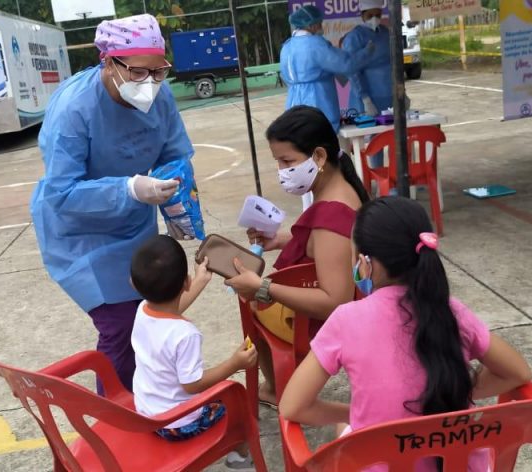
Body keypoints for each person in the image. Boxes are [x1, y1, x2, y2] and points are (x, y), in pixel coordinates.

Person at [279, 197, 532, 471]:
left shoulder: (346, 319)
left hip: (380, 461)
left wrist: (357, 415)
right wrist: (447, 390)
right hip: (462, 465)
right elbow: (516, 373)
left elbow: (293, 406)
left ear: (366, 263)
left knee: (343, 430)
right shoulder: (451, 312)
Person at [30, 14, 194, 394]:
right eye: (139, 72)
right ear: (108, 63)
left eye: (159, 71)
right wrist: (130, 189)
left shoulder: (160, 96)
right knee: (120, 326)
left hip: (134, 226)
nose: (150, 83)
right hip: (80, 234)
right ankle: (117, 418)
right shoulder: (74, 110)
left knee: (150, 318)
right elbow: (62, 192)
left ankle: (154, 404)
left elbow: (176, 157)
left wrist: (180, 209)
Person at [226, 105, 369, 407]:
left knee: (250, 301)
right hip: (327, 304)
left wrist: (263, 288)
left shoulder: (333, 211)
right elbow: (326, 244)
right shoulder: (340, 188)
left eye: (287, 161)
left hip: (314, 324)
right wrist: (280, 240)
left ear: (319, 156)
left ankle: (277, 388)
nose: (281, 171)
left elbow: (335, 301)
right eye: (277, 161)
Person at [129, 235, 257, 469]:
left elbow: (171, 309)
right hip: (176, 424)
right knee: (238, 406)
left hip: (147, 412)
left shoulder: (142, 310)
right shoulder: (185, 334)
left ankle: (238, 454)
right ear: (185, 283)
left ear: (133, 284)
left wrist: (200, 280)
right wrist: (234, 363)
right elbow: (192, 384)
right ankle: (239, 456)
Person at [280, 5, 373, 132]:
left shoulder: (287, 46)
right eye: (319, 24)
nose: (321, 28)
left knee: (301, 141)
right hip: (317, 100)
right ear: (311, 25)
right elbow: (346, 64)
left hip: (293, 103)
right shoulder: (315, 44)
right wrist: (366, 52)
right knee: (322, 142)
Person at [343, 0, 391, 118]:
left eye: (378, 15)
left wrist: (401, 92)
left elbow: (393, 63)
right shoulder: (355, 37)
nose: (374, 19)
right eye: (370, 15)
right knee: (369, 133)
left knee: (389, 133)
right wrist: (365, 98)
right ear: (362, 15)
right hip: (367, 97)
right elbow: (352, 70)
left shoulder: (385, 33)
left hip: (389, 94)